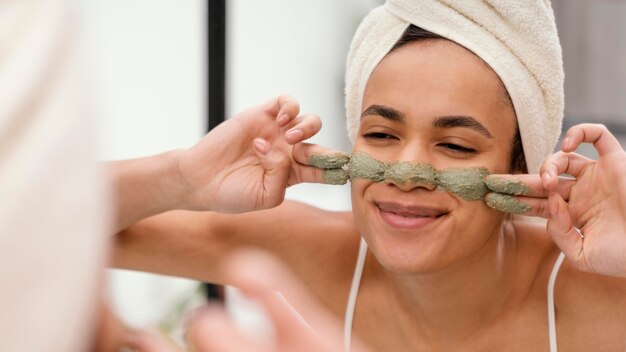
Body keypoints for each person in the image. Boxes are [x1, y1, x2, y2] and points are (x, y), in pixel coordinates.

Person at [113, 1, 626, 351]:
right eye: (380, 134)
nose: (405, 173)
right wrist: (183, 177)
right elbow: (48, 224)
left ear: (519, 172)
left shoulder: (596, 296)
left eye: (455, 144)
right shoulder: (318, 255)